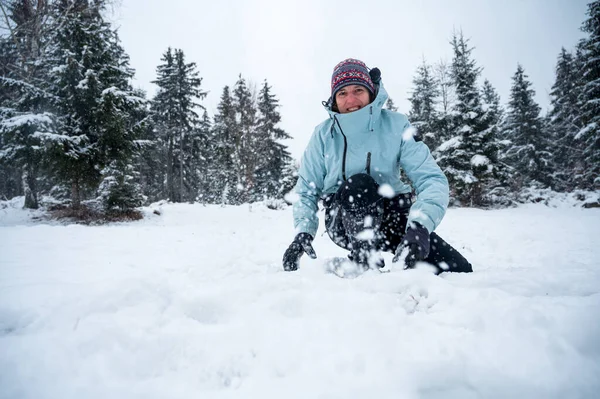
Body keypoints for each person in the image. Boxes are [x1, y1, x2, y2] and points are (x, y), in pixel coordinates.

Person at [282, 58, 472, 274]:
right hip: (344, 218)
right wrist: (303, 233)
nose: (351, 99)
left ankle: (400, 253)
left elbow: (431, 179)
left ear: (371, 92)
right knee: (359, 185)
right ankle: (364, 259)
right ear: (334, 98)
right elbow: (307, 188)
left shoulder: (396, 125)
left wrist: (419, 228)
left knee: (458, 269)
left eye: (358, 90)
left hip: (392, 217)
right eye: (342, 93)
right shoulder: (323, 134)